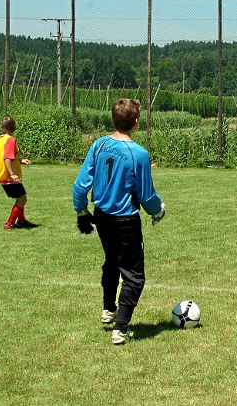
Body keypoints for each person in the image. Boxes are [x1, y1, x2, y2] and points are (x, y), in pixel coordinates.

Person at [73, 99, 166, 345]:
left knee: (112, 261)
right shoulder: (139, 154)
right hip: (126, 220)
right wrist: (158, 211)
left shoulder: (100, 144)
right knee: (134, 275)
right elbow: (146, 195)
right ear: (136, 122)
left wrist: (81, 211)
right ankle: (121, 328)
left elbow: (80, 184)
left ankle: (108, 309)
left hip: (101, 216)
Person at [0, 116, 35, 229]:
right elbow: (7, 158)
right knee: (22, 199)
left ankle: (21, 221)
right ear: (14, 127)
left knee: (21, 198)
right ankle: (9, 224)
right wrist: (12, 173)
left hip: (1, 175)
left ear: (1, 127)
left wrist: (20, 160)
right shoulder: (10, 140)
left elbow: (4, 156)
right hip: (9, 176)